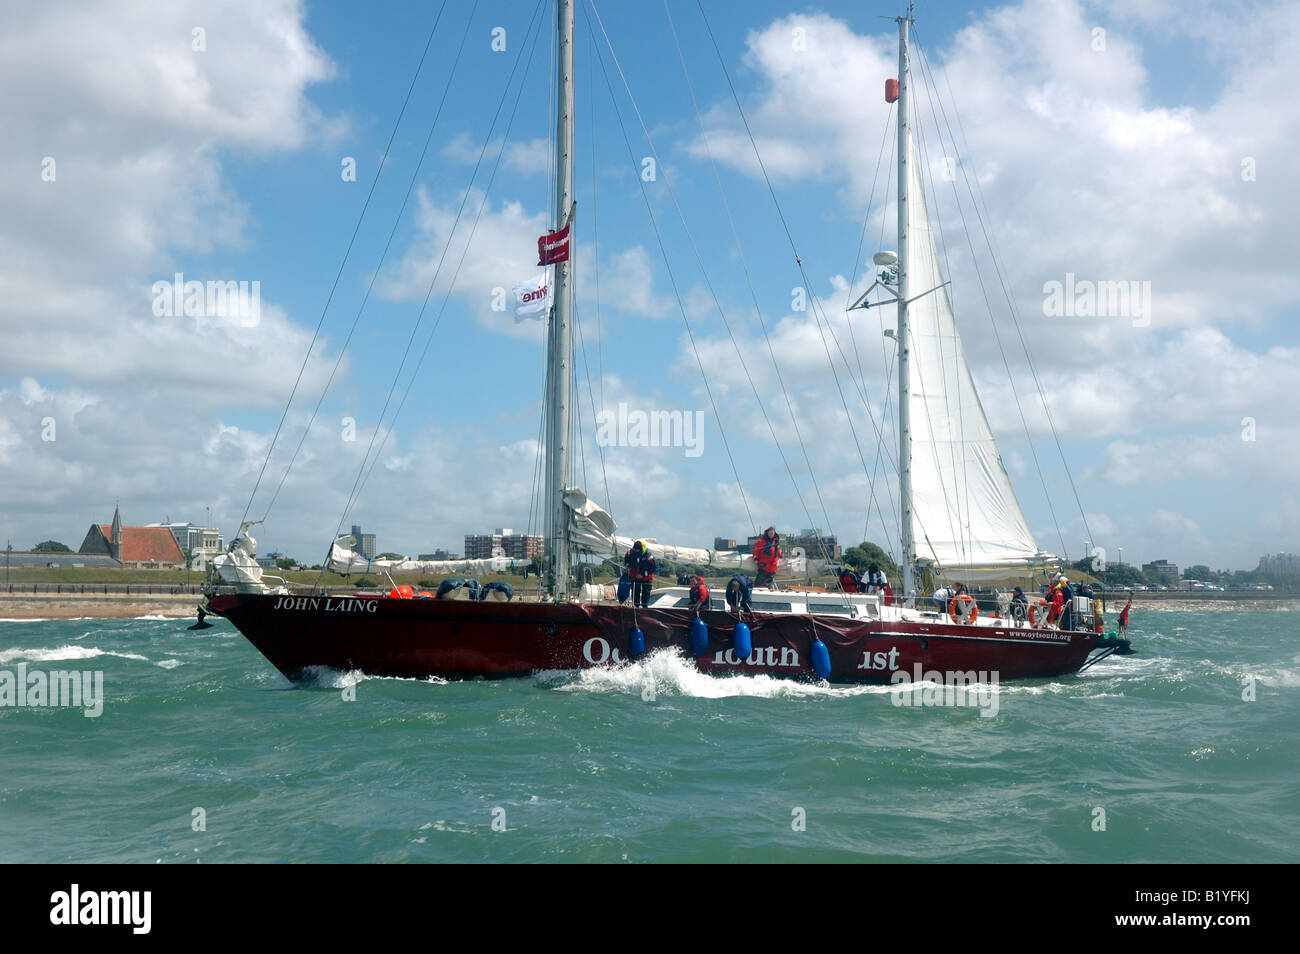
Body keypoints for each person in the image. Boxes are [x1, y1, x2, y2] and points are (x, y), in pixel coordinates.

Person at [623, 540, 656, 609]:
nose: (636, 551)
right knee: (635, 592)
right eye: (635, 549)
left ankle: (644, 608)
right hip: (635, 576)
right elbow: (626, 559)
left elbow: (653, 568)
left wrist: (643, 574)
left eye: (637, 550)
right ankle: (635, 607)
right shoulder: (630, 553)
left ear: (641, 549)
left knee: (646, 593)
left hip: (646, 577)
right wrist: (627, 566)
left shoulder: (648, 556)